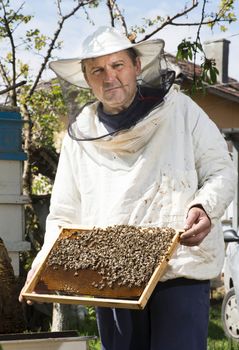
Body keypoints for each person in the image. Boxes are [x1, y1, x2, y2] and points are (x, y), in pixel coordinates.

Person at [20, 26, 236, 350]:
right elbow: (64, 211)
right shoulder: (80, 135)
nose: (109, 77)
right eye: (98, 70)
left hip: (179, 268)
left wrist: (204, 206)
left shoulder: (181, 111)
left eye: (117, 65)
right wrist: (42, 266)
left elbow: (221, 168)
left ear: (136, 66)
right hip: (111, 278)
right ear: (86, 78)